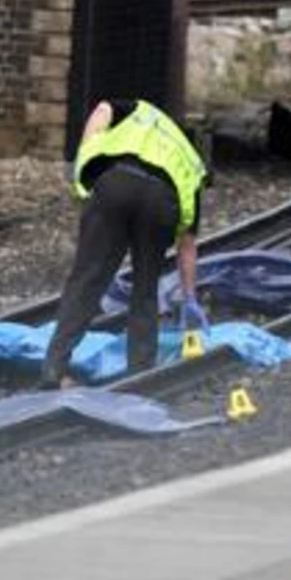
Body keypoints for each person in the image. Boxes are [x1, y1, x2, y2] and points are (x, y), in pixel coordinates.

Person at [40, 98, 209, 390]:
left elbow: (103, 110)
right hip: (160, 203)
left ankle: (54, 368)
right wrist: (190, 297)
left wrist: (84, 155)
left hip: (116, 183)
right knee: (145, 289)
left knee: (88, 278)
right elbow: (187, 245)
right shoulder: (192, 164)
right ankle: (141, 374)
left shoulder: (141, 111)